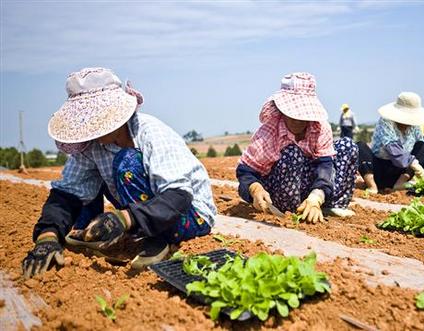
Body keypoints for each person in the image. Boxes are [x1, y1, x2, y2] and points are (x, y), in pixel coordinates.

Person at [22, 68, 216, 278]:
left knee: (126, 162)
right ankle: (95, 231)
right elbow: (68, 193)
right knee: (88, 178)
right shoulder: (91, 146)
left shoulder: (150, 133)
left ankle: (158, 238)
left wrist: (125, 218)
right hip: (145, 211)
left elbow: (178, 196)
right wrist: (48, 236)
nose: (91, 128)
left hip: (188, 214)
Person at [236, 72, 358, 223]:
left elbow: (325, 165)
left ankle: (327, 205)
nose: (299, 121)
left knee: (348, 145)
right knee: (292, 152)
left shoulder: (320, 127)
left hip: (311, 187)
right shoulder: (269, 133)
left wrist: (317, 196)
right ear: (281, 109)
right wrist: (255, 189)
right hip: (280, 192)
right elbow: (246, 172)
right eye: (293, 115)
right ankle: (292, 208)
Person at [357, 92, 424, 191]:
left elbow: (421, 148)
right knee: (360, 146)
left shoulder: (414, 127)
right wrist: (414, 164)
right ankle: (372, 186)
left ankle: (400, 184)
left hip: (401, 174)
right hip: (379, 170)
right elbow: (393, 150)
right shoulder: (386, 122)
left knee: (422, 145)